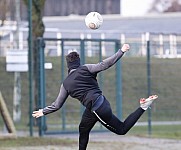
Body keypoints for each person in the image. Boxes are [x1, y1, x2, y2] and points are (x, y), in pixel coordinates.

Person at [32, 44, 158, 150]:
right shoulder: (86, 68)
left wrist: (43, 111)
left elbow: (57, 105)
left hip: (97, 109)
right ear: (78, 62)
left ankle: (143, 107)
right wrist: (121, 51)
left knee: (121, 129)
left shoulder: (66, 84)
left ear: (68, 66)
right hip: (99, 104)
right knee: (83, 129)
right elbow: (105, 64)